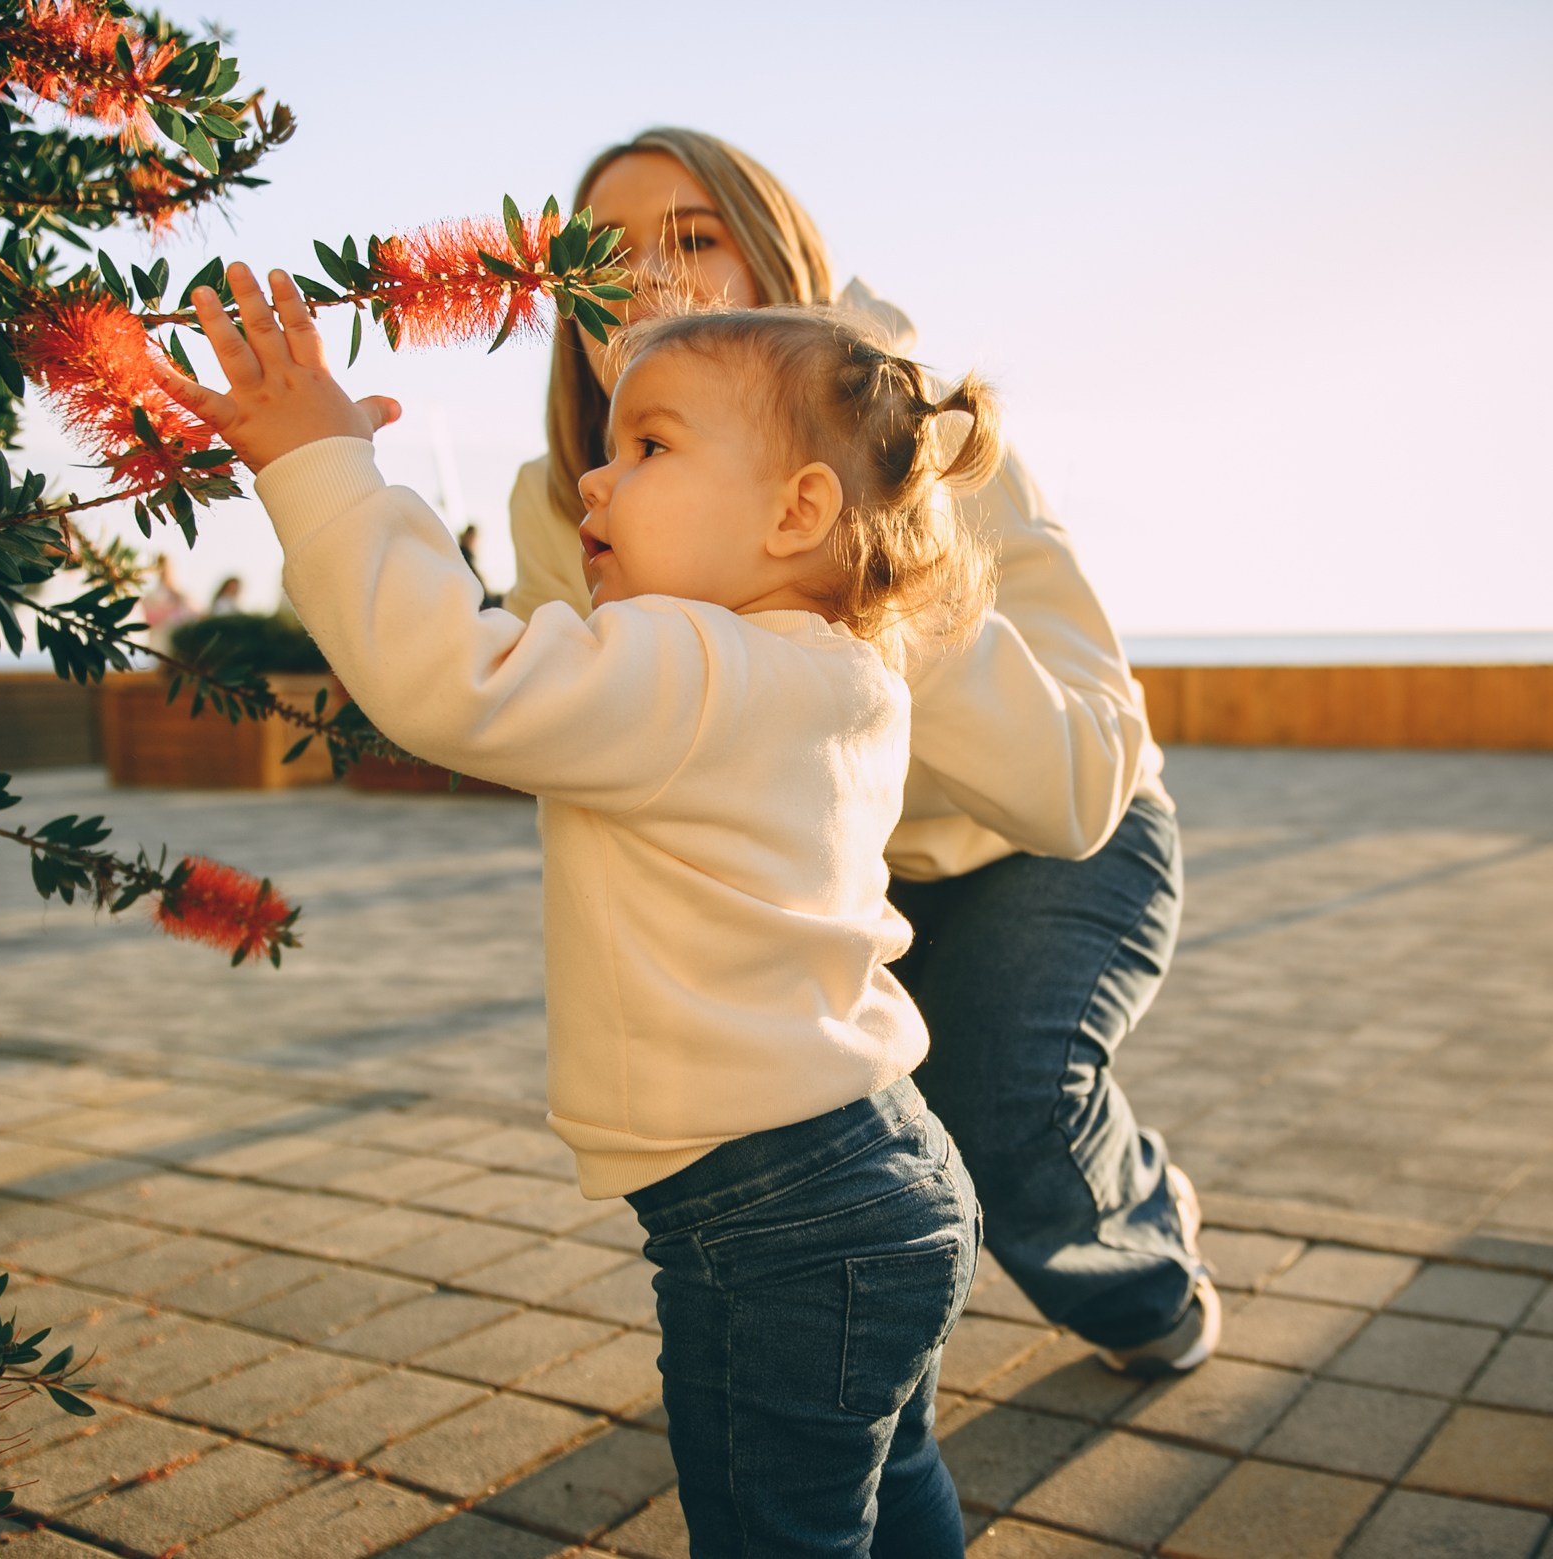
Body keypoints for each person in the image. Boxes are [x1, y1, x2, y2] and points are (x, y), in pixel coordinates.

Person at [161, 263, 998, 1556]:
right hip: (856, 1179)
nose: (596, 481)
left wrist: (323, 466)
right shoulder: (836, 671)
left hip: (782, 1213)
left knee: (772, 1524)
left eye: (650, 446)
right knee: (872, 1494)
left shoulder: (701, 667)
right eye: (608, 448)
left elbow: (454, 677)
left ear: (798, 510)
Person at [507, 128, 1217, 1377]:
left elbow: (1081, 783)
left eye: (693, 237)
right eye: (603, 255)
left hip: (1049, 849)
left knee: (1003, 1100)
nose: (648, 277)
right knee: (837, 1173)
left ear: (776, 258)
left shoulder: (916, 429)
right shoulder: (563, 496)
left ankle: (1146, 1272)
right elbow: (571, 726)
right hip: (833, 885)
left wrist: (871, 552)